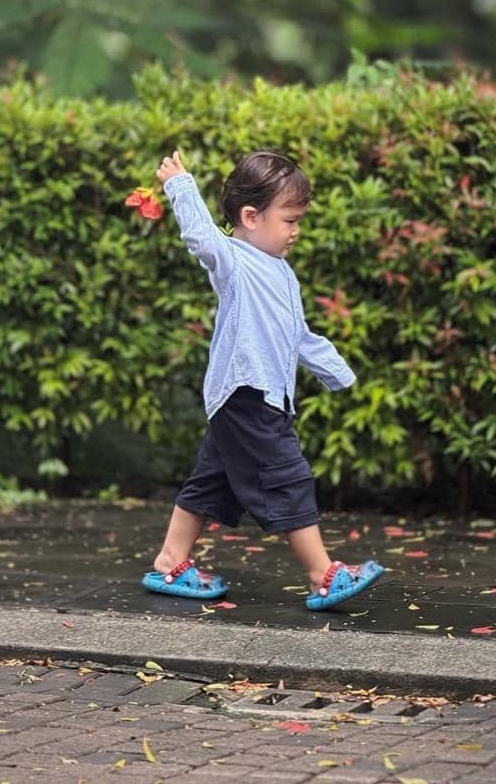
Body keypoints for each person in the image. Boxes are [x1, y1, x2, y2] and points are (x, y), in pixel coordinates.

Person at [141, 147, 384, 611]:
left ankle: (171, 559)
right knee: (288, 474)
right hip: (247, 393)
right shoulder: (233, 260)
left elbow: (296, 334)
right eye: (290, 220)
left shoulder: (281, 273)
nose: (296, 231)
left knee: (212, 481)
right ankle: (322, 574)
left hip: (255, 397)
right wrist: (180, 186)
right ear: (251, 216)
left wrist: (335, 370)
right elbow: (201, 237)